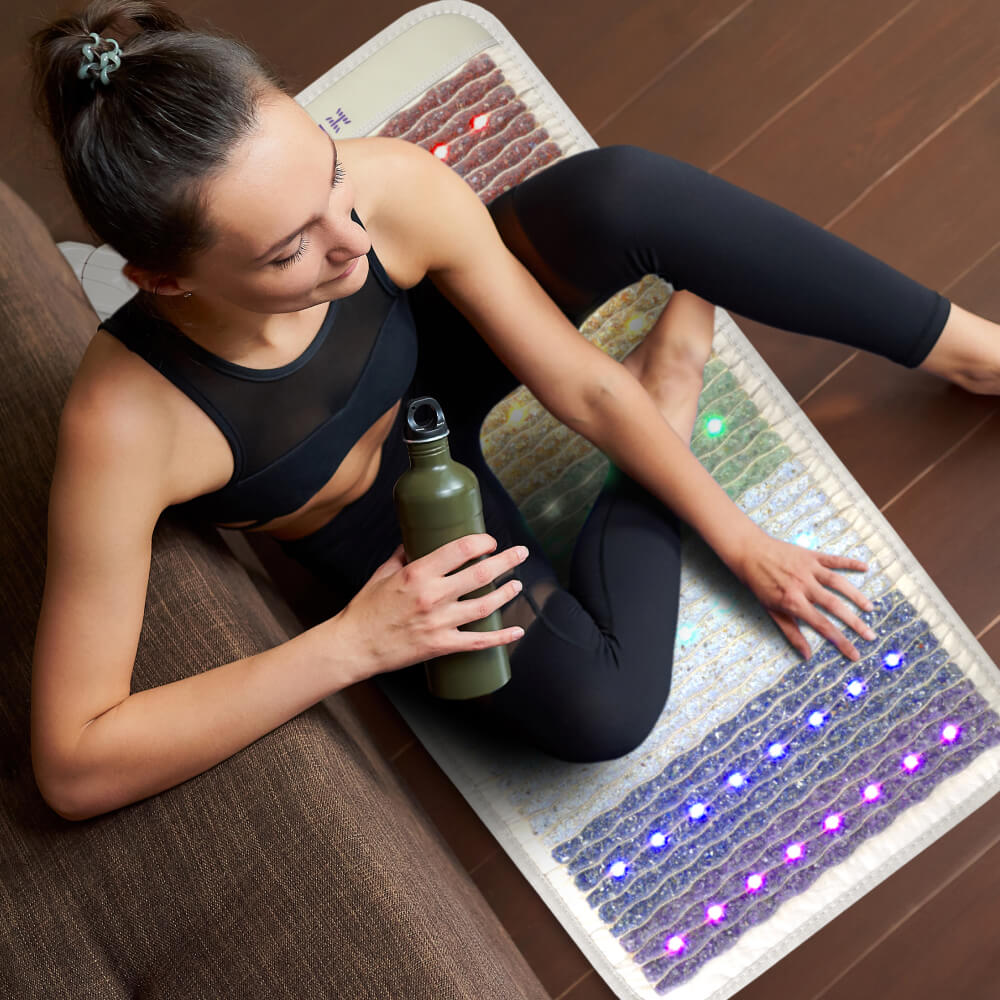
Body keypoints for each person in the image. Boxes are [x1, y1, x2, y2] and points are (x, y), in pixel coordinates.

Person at [26, 0, 1000, 821]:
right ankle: (674, 383)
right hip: (383, 527)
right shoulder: (127, 426)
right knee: (603, 708)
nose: (350, 238)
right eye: (289, 250)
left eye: (329, 172)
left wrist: (741, 540)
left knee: (624, 191)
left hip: (434, 362)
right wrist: (354, 643)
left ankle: (973, 350)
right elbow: (74, 762)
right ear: (163, 279)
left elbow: (579, 383)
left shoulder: (383, 190)